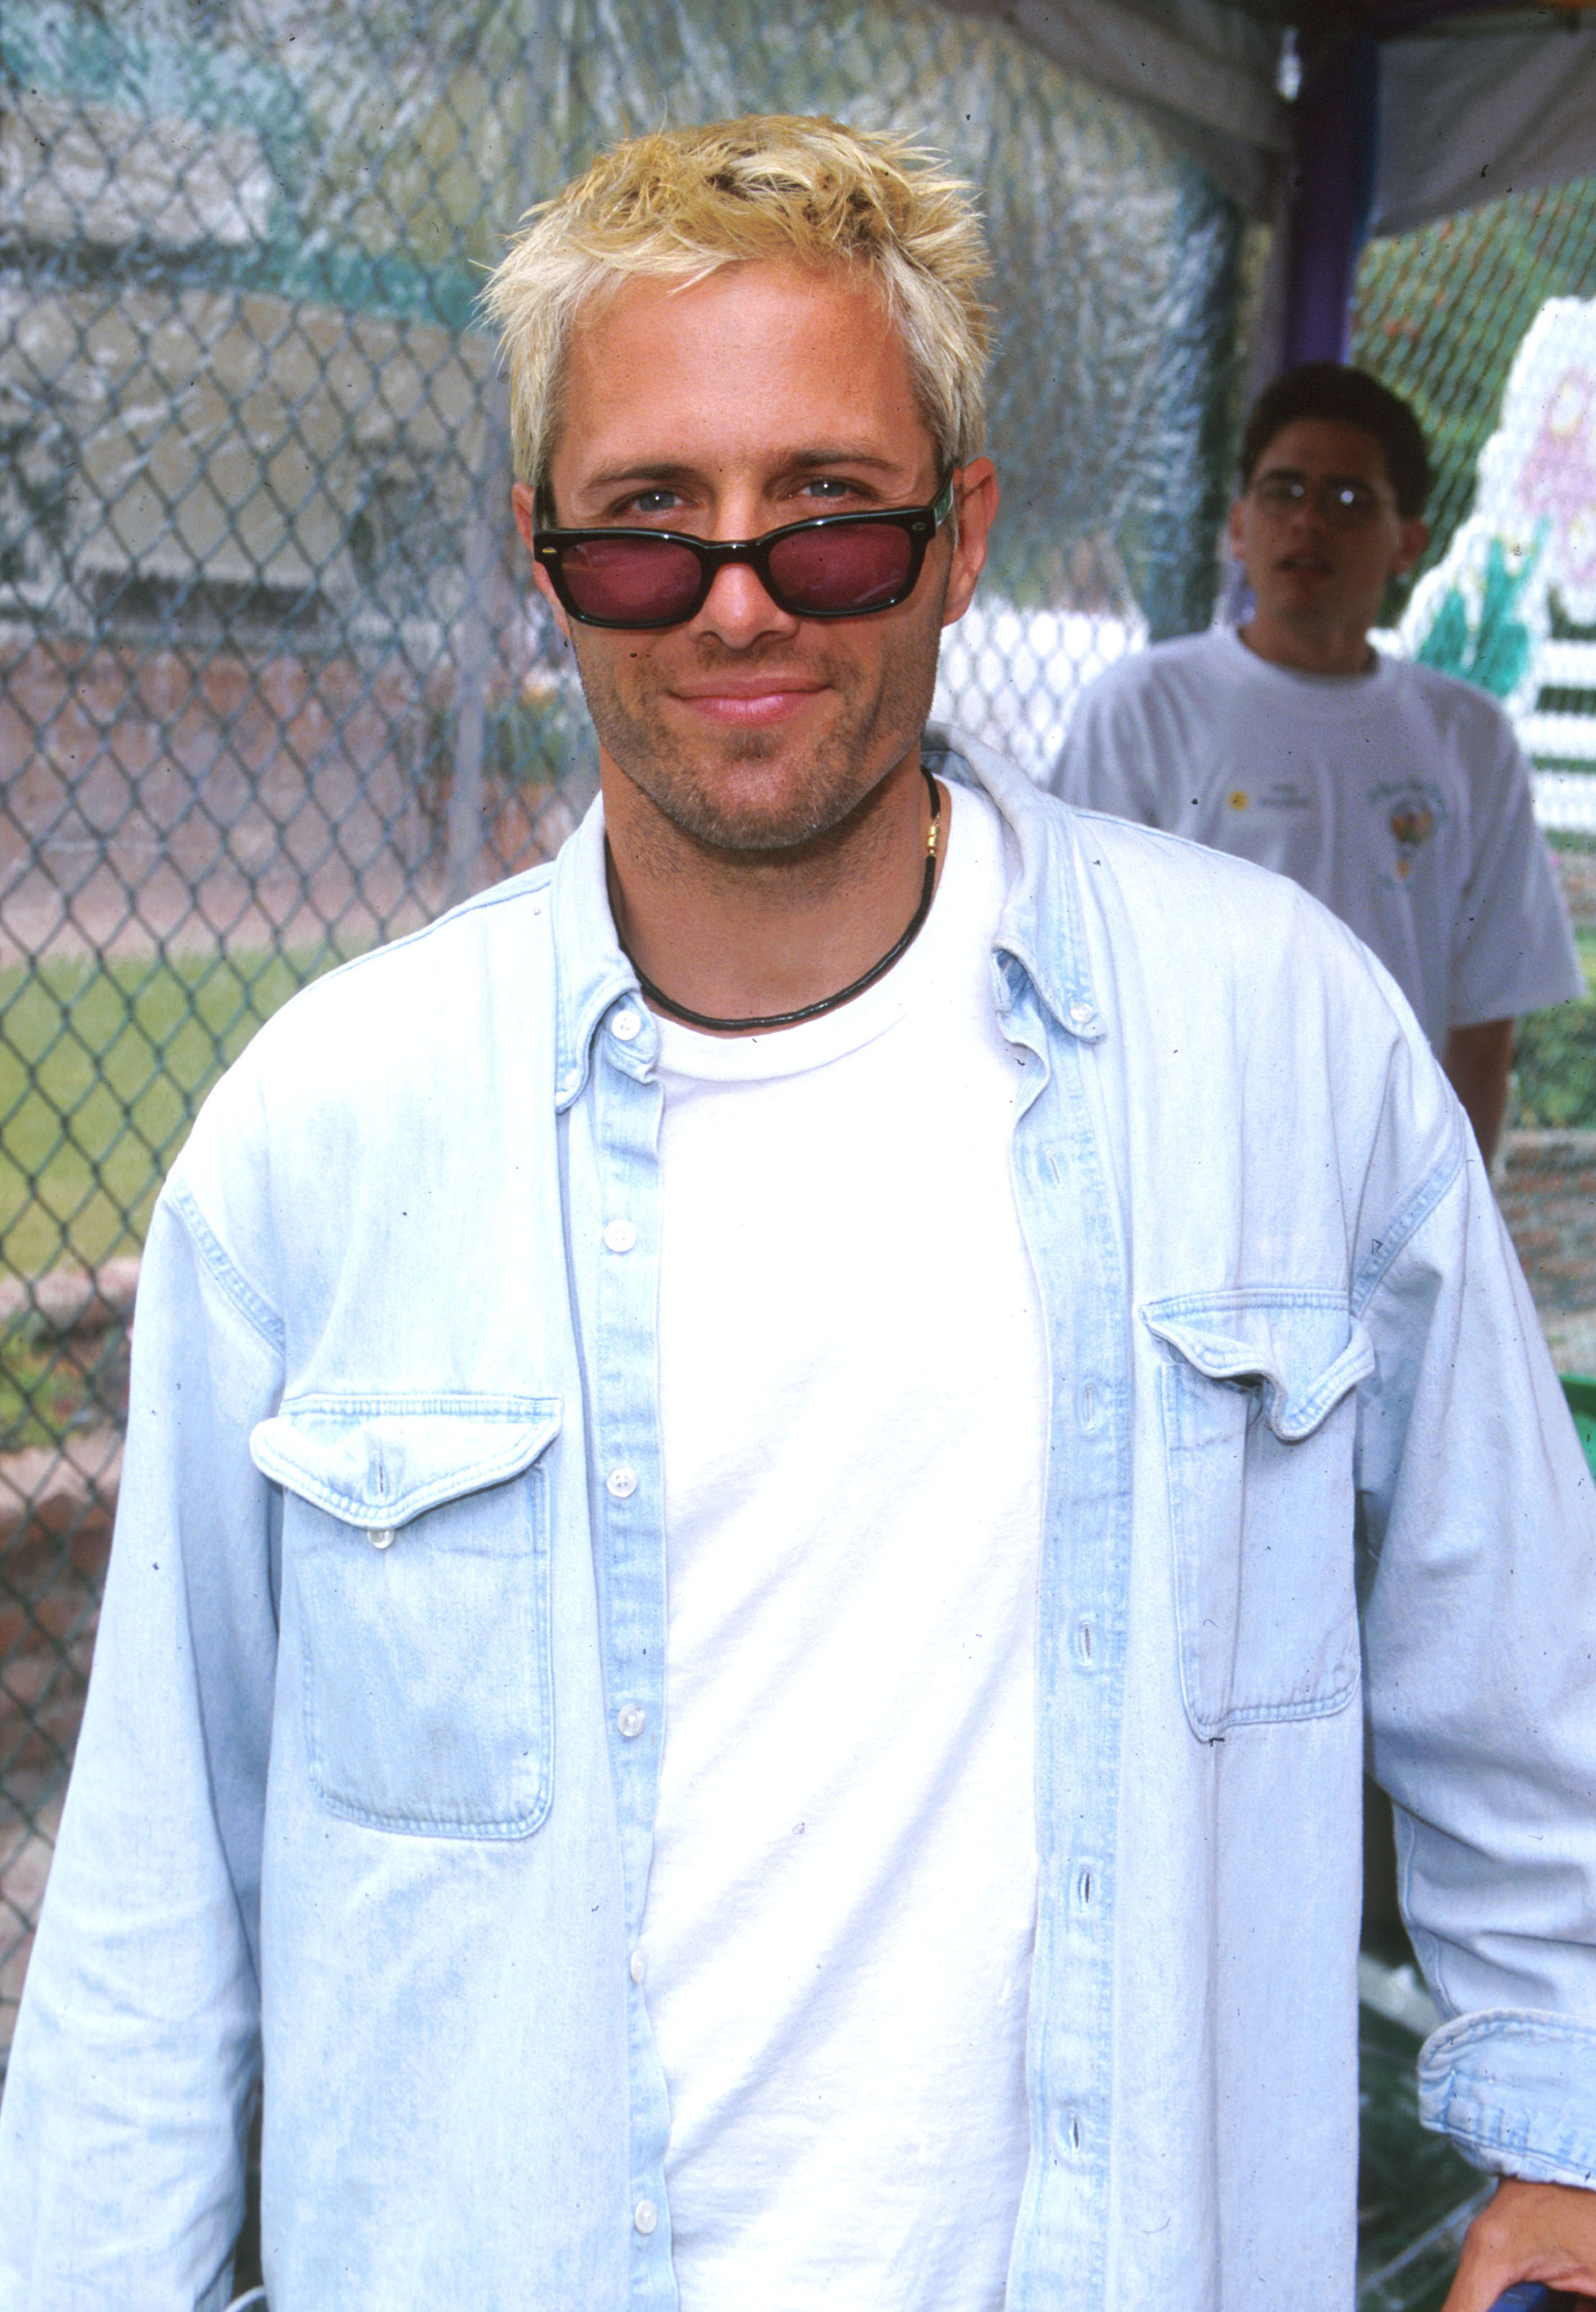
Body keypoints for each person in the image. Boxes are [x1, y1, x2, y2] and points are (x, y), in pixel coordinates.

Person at [1, 117, 1595, 2312]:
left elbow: (1519, 1666)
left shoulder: (1287, 1045)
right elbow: (154, 1897)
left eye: (828, 515)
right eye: (648, 526)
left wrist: (1566, 2145)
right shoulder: (325, 1134)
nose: (738, 595)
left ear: (959, 539)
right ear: (539, 560)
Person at [1049, 362, 1584, 1168]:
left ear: (1408, 541)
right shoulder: (1139, 710)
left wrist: (1464, 1220)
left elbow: (1485, 1010)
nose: (1306, 521)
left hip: (1389, 1185)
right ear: (1237, 525)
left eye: (1345, 499)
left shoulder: (1467, 738)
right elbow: (1074, 974)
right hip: (1187, 1173)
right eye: (1280, 492)